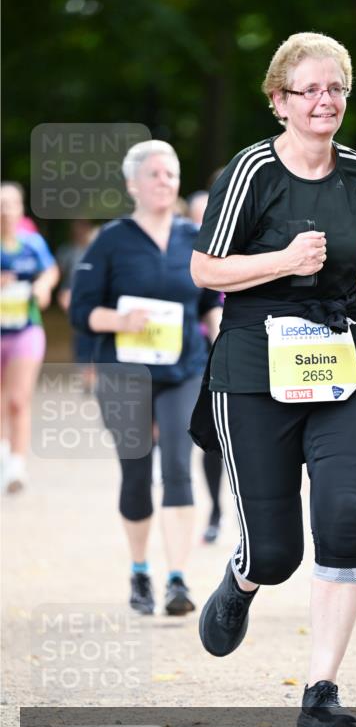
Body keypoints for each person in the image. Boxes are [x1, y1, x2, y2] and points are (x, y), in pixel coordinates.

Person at [190, 32, 356, 727]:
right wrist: (281, 260)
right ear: (278, 101)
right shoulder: (251, 171)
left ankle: (320, 690)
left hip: (342, 360)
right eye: (308, 89)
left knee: (345, 518)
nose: (324, 101)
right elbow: (206, 271)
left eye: (335, 88)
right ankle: (245, 576)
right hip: (255, 367)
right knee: (279, 550)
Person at [70, 140, 222, 614]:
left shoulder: (193, 237)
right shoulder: (111, 240)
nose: (164, 182)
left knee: (179, 466)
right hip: (124, 373)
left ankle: (178, 579)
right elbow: (81, 311)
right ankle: (140, 572)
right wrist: (119, 321)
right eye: (154, 174)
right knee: (137, 474)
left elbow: (207, 301)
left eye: (171, 174)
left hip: (183, 369)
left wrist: (219, 327)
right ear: (132, 183)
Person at [1, 190, 59, 493]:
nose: (6, 211)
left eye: (11, 205)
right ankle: (2, 453)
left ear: (20, 209)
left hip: (25, 330)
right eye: (1, 206)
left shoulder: (32, 244)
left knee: (17, 399)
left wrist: (43, 285)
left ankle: (17, 466)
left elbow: (50, 270)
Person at [187, 190, 225, 543]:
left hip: (237, 349)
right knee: (210, 435)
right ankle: (214, 508)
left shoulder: (239, 245)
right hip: (196, 353)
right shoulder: (187, 254)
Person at [56, 219, 98, 389]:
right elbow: (59, 272)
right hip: (75, 296)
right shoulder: (67, 251)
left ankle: (94, 372)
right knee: (81, 334)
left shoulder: (98, 253)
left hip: (95, 298)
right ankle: (86, 372)